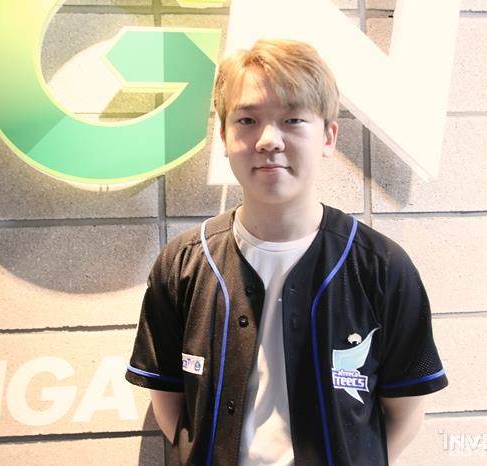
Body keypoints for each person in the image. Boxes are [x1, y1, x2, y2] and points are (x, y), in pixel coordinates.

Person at [125, 38, 448, 466]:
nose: (268, 140)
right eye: (247, 120)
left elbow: (405, 411)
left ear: (328, 136)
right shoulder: (183, 263)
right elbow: (170, 401)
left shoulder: (380, 266)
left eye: (293, 119)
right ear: (223, 136)